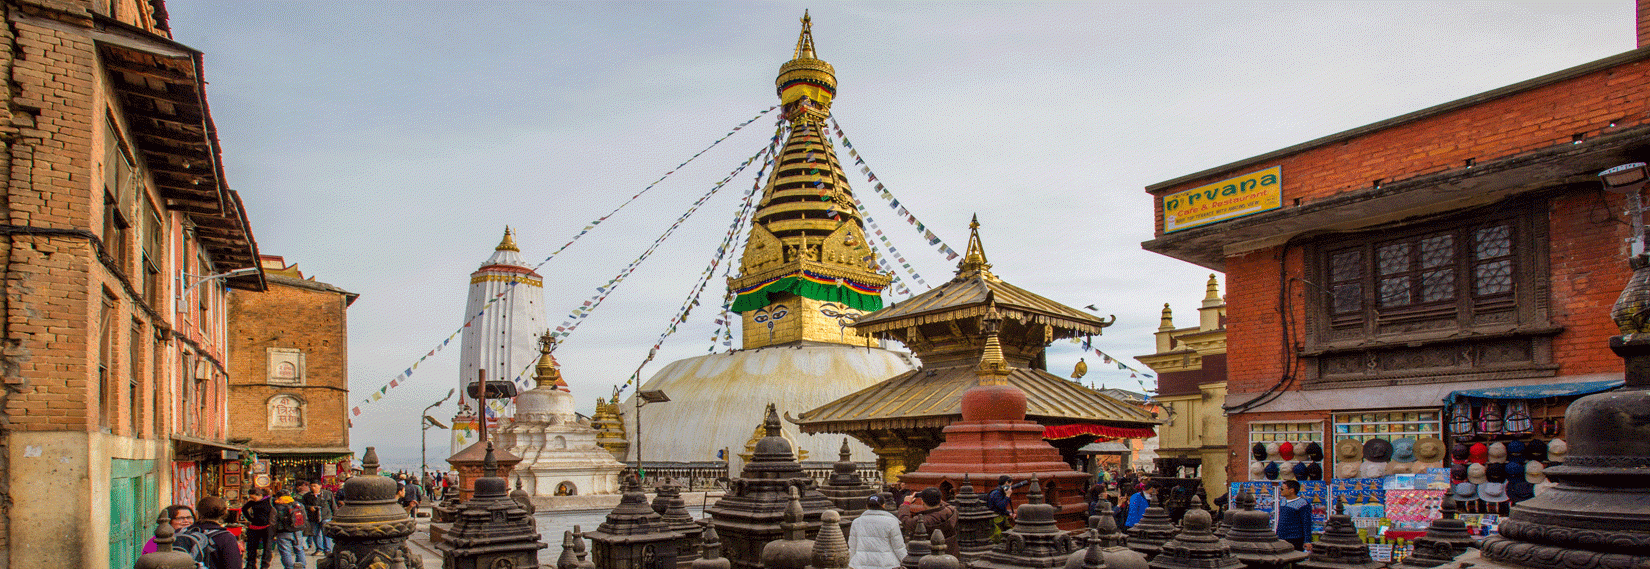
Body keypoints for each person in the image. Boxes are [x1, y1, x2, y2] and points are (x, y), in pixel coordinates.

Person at [179, 496, 243, 569]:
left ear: (198, 512)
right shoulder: (226, 537)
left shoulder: (185, 532)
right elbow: (233, 565)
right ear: (224, 513)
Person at [847, 494, 907, 569]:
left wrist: (849, 563)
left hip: (861, 563)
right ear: (883, 506)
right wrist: (905, 562)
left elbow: (852, 547)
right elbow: (898, 547)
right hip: (886, 563)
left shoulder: (857, 522)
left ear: (867, 506)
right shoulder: (891, 522)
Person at [899, 487, 958, 556]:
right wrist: (935, 497)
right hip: (951, 554)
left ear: (922, 502)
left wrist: (906, 503)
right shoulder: (952, 511)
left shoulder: (922, 521)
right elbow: (946, 505)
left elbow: (905, 520)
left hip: (929, 558)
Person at [241, 488, 275, 569]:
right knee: (251, 547)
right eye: (251, 497)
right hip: (254, 526)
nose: (252, 499)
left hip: (267, 527)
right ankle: (251, 564)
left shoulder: (270, 501)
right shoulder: (252, 502)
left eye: (253, 497)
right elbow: (244, 509)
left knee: (267, 548)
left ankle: (264, 565)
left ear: (260, 495)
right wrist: (250, 519)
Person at [272, 489, 307, 569]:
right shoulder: (298, 504)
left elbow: (273, 521)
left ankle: (289, 567)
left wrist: (273, 533)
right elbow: (305, 517)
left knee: (285, 551)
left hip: (283, 531)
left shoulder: (276, 506)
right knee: (299, 549)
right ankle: (302, 566)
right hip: (297, 530)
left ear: (278, 497)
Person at [1276, 480, 1312, 551]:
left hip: (1295, 538)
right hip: (1281, 537)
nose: (1281, 491)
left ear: (1291, 490)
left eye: (1282, 489)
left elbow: (1306, 523)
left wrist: (1307, 541)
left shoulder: (1302, 504)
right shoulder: (1282, 501)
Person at [301, 480, 335, 554]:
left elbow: (333, 505)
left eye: (315, 486)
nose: (313, 488)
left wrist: (335, 516)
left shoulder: (327, 494)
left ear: (320, 486)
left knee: (326, 533)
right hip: (313, 517)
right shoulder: (307, 496)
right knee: (315, 533)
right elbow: (303, 505)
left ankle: (327, 549)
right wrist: (309, 507)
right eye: (311, 486)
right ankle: (319, 549)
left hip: (325, 515)